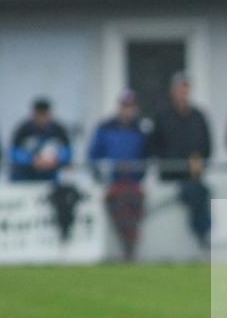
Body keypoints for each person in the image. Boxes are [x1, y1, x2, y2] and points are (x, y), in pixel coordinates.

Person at [88, 90, 148, 261]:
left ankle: (129, 248)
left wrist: (138, 174)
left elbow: (146, 157)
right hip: (113, 184)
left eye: (130, 106)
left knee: (133, 214)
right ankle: (128, 249)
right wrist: (101, 178)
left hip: (134, 184)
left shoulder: (141, 130)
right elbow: (93, 156)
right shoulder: (105, 127)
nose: (127, 110)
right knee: (120, 212)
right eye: (124, 106)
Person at [149, 72, 212, 182]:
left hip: (192, 177)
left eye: (186, 88)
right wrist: (167, 161)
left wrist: (199, 161)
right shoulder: (162, 116)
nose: (183, 92)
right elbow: (154, 144)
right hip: (169, 176)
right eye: (180, 88)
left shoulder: (199, 116)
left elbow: (207, 146)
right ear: (173, 91)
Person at [10, 97, 72, 182]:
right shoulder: (23, 129)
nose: (42, 119)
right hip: (24, 178)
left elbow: (67, 151)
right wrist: (31, 160)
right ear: (33, 114)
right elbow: (14, 152)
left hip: (50, 178)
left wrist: (56, 160)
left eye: (44, 115)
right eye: (39, 115)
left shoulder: (58, 129)